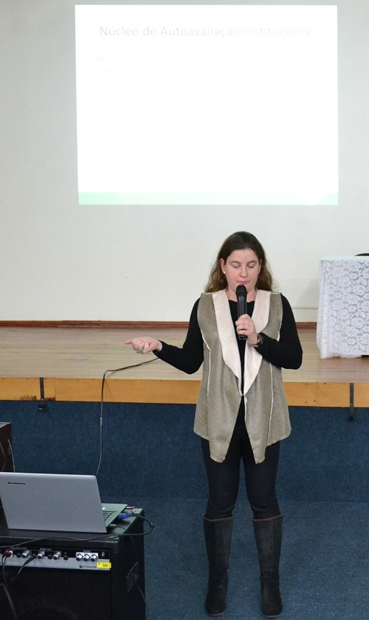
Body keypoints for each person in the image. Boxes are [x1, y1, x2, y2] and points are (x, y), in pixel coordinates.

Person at [126, 231, 302, 619]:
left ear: (261, 267)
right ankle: (217, 582)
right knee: (220, 501)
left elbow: (294, 358)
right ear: (222, 267)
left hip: (264, 419)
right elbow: (192, 361)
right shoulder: (206, 306)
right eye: (236, 265)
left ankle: (269, 583)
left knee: (264, 500)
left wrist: (258, 339)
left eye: (251, 265)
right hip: (219, 419)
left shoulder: (276, 304)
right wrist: (157, 347)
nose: (244, 273)